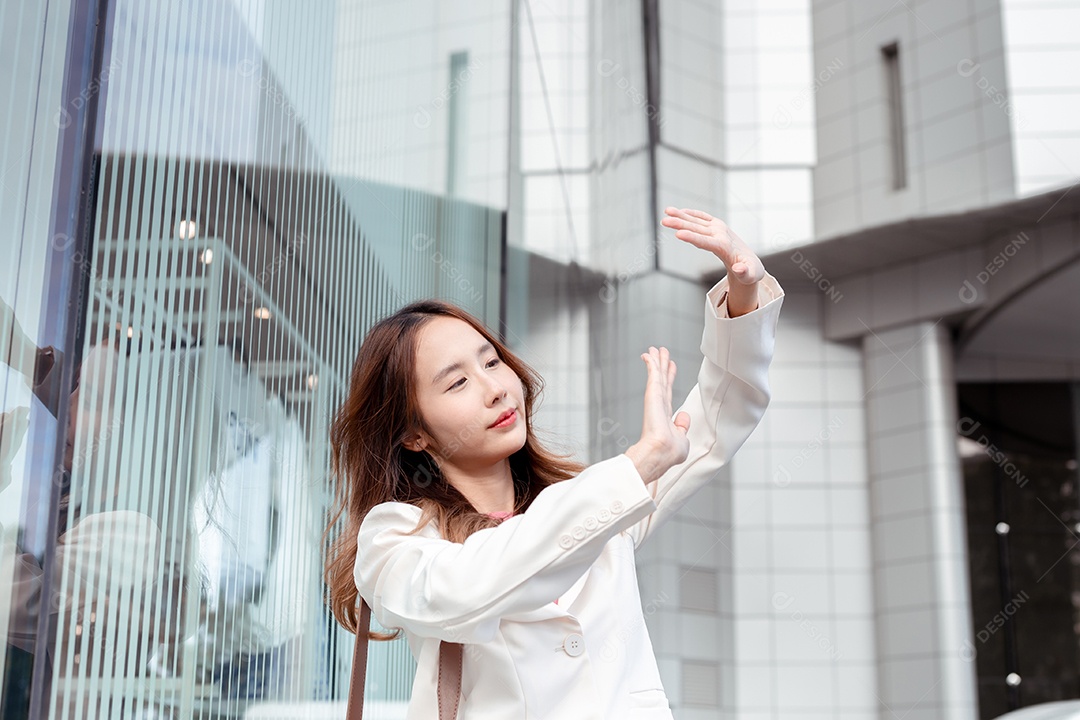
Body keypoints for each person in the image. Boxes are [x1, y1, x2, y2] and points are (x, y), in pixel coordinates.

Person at [324, 206, 786, 718]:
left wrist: (744, 294)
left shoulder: (593, 502)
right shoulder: (395, 538)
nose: (496, 389)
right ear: (412, 434)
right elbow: (469, 587)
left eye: (492, 361)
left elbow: (716, 420)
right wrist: (636, 466)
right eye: (457, 382)